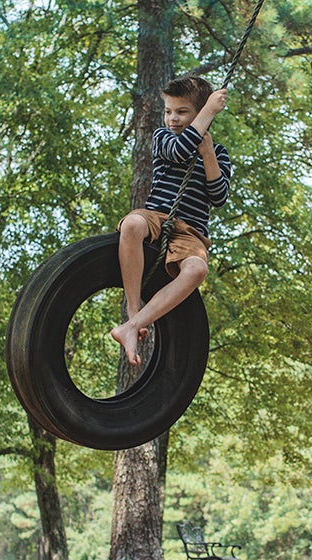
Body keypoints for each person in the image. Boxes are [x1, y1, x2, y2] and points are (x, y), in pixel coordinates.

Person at [110, 75, 232, 365]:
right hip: (157, 216)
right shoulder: (163, 138)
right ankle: (133, 308)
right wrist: (209, 113)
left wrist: (208, 155)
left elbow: (219, 196)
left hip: (191, 232)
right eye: (168, 111)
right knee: (132, 225)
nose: (173, 118)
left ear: (197, 112)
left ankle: (134, 325)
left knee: (197, 270)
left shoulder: (219, 153)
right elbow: (179, 152)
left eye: (181, 112)